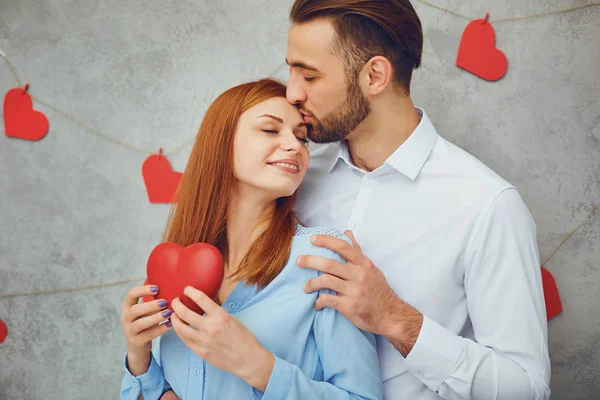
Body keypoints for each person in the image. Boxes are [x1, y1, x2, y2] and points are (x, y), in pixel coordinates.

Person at [284, 1, 552, 400]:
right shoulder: (294, 180)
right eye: (290, 70)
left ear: (375, 75)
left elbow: (526, 388)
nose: (291, 92)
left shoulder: (486, 205)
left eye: (309, 75)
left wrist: (394, 317)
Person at [119, 79, 383, 400]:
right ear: (220, 143)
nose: (295, 146)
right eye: (271, 130)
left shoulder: (323, 258)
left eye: (301, 138)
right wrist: (139, 356)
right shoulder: (181, 265)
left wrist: (258, 366)